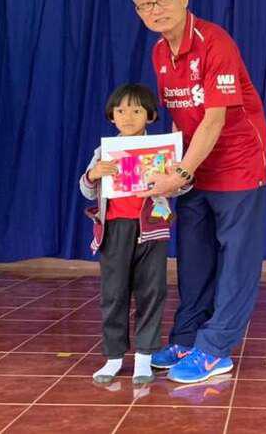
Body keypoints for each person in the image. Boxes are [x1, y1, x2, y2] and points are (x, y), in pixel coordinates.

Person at [127, 0, 266, 385]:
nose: (155, 10)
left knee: (236, 258)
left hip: (237, 164)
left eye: (162, 0)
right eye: (144, 5)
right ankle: (187, 337)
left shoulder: (215, 42)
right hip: (193, 167)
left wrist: (180, 172)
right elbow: (179, 117)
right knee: (193, 257)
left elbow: (213, 119)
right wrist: (172, 166)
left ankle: (216, 349)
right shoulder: (159, 52)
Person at [79, 83, 171, 385]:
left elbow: (181, 187)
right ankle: (114, 357)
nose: (128, 117)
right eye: (120, 111)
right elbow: (86, 189)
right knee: (114, 293)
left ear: (150, 116)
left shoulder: (161, 150)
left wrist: (172, 179)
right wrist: (94, 174)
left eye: (136, 111)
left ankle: (144, 358)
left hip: (152, 230)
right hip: (115, 229)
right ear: (111, 116)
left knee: (152, 291)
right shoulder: (103, 152)